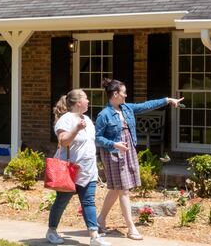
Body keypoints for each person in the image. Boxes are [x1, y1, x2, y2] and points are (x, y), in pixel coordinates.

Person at [94, 78, 183, 240]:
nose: (126, 95)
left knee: (116, 189)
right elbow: (98, 138)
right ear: (115, 94)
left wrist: (168, 100)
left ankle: (100, 220)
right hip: (113, 154)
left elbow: (146, 105)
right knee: (123, 190)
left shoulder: (126, 108)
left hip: (127, 150)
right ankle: (131, 227)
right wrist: (114, 144)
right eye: (124, 92)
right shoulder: (104, 115)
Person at [46, 89, 110, 246]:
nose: (88, 101)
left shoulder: (87, 119)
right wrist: (76, 129)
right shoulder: (65, 120)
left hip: (88, 170)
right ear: (78, 102)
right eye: (86, 98)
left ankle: (94, 236)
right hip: (71, 171)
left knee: (88, 202)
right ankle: (51, 231)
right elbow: (63, 141)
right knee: (61, 201)